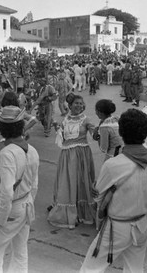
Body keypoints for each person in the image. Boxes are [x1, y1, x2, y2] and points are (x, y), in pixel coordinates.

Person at [80, 109, 147, 273]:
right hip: (141, 225)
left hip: (116, 227)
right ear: (146, 132)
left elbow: (98, 196)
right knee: (135, 269)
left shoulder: (113, 164)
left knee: (90, 268)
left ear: (121, 132)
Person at [0, 106, 39, 273]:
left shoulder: (7, 153)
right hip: (26, 204)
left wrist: (1, 218)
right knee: (20, 253)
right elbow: (34, 185)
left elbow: (6, 191)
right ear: (21, 126)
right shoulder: (32, 150)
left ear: (2, 128)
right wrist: (28, 202)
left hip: (12, 209)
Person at [47, 95, 96, 229]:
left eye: (81, 103)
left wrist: (101, 129)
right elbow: (62, 138)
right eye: (76, 103)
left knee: (80, 181)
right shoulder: (65, 119)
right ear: (70, 105)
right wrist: (57, 128)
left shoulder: (86, 120)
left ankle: (81, 211)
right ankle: (66, 210)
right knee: (67, 181)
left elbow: (94, 133)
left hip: (81, 155)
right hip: (67, 155)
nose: (79, 106)